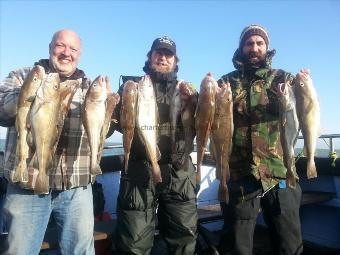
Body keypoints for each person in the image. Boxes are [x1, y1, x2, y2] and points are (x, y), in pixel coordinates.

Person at [0, 29, 97, 255]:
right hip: (28, 185)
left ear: (79, 54)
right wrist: (30, 90)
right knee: (19, 251)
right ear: (50, 47)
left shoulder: (89, 86)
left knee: (81, 251)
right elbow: (2, 112)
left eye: (73, 49)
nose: (66, 53)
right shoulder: (22, 75)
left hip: (77, 187)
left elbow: (104, 130)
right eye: (61, 46)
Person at [217, 25, 303, 255]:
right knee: (237, 245)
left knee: (289, 242)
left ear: (267, 47)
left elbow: (305, 109)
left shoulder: (283, 78)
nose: (254, 48)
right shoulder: (226, 82)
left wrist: (305, 85)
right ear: (241, 48)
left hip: (281, 173)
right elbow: (208, 116)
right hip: (240, 174)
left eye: (259, 43)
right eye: (249, 43)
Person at [113, 36, 198, 254]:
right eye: (158, 53)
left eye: (168, 54)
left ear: (175, 61)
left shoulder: (187, 91)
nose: (162, 57)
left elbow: (202, 125)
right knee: (133, 242)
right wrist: (114, 104)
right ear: (150, 57)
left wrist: (196, 101)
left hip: (179, 172)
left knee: (183, 240)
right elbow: (118, 125)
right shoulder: (131, 88)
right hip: (139, 172)